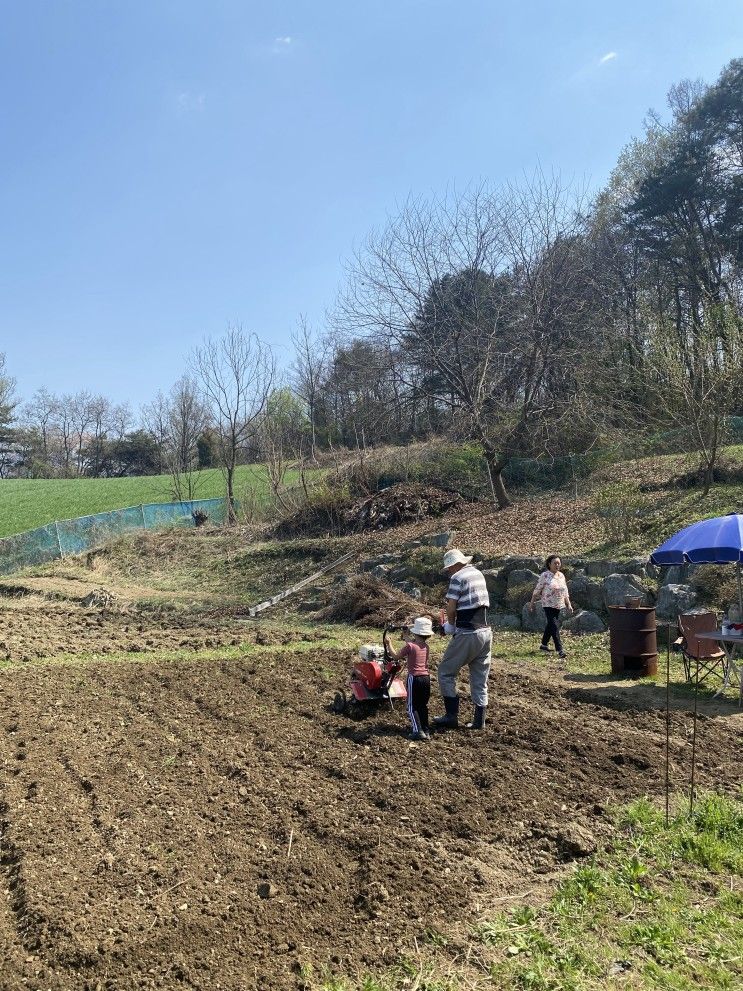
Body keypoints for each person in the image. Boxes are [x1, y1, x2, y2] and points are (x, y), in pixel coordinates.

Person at [433, 549, 491, 731]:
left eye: (449, 568)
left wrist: (450, 626)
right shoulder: (478, 574)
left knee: (445, 672)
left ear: (455, 565)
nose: (449, 571)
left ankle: (451, 716)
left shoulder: (458, 577)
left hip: (467, 633)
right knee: (480, 678)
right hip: (485, 632)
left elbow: (451, 608)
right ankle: (478, 721)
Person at [384, 617, 433, 741]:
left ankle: (417, 731)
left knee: (411, 706)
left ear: (415, 633)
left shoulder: (410, 646)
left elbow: (395, 656)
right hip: (426, 678)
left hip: (414, 678)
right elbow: (412, 645)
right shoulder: (425, 646)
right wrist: (406, 636)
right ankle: (426, 730)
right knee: (422, 705)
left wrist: (389, 644)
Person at [529, 555, 573, 659]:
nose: (557, 565)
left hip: (558, 604)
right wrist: (532, 603)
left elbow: (565, 591)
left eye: (559, 563)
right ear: (549, 564)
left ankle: (543, 645)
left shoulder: (561, 576)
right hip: (548, 604)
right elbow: (537, 590)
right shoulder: (545, 575)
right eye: (555, 563)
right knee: (554, 626)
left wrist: (568, 604)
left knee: (550, 625)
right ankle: (560, 649)